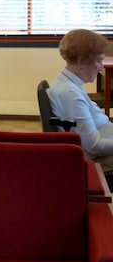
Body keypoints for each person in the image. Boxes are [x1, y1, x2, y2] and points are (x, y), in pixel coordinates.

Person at [48, 28, 113, 181]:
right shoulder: (71, 94)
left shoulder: (69, 83)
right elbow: (93, 146)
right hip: (95, 159)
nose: (101, 67)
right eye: (99, 60)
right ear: (80, 61)